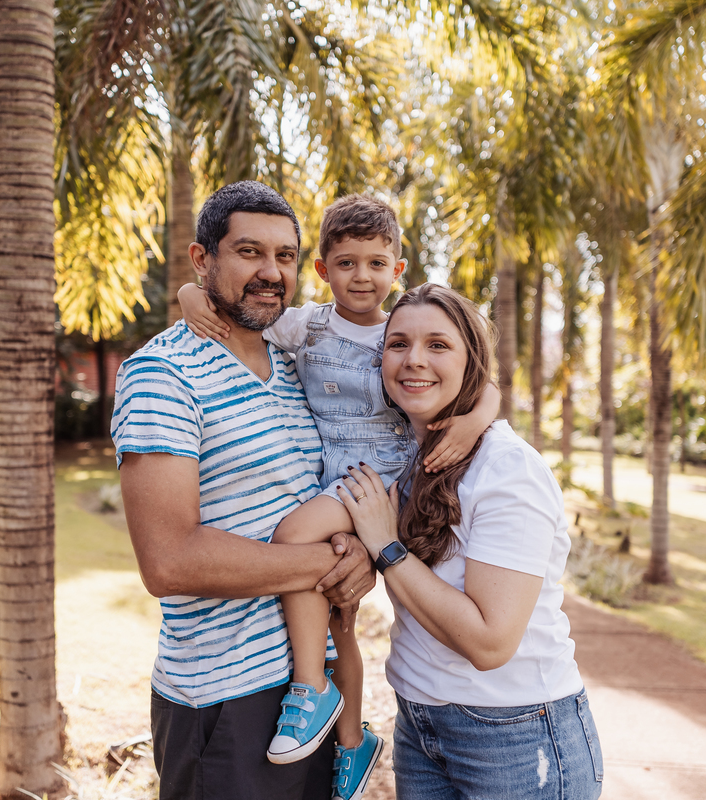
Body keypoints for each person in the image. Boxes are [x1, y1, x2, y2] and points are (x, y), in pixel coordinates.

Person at [178, 195, 498, 800]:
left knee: (290, 538)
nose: (362, 277)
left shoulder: (400, 331)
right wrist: (191, 296)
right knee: (340, 619)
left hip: (378, 478)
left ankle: (311, 686)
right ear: (323, 271)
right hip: (334, 479)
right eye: (346, 264)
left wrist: (477, 418)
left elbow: (479, 372)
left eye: (377, 264)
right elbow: (239, 307)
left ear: (397, 270)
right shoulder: (307, 324)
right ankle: (351, 743)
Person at [111, 181, 377, 800]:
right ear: (202, 260)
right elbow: (169, 561)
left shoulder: (294, 365)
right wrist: (334, 563)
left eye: (285, 256)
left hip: (312, 696)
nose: (271, 272)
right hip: (224, 701)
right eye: (250, 252)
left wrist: (364, 554)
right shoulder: (162, 375)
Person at [336, 283, 605, 800]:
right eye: (398, 344)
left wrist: (386, 548)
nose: (415, 360)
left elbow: (490, 642)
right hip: (419, 725)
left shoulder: (506, 469)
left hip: (515, 737)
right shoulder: (403, 453)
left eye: (438, 345)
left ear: (470, 361)